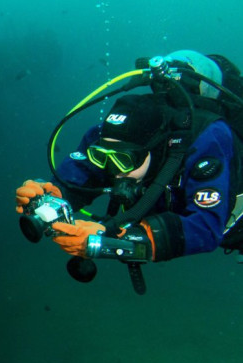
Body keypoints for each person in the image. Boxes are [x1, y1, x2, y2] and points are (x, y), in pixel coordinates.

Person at [15, 50, 243, 263]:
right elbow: (82, 171)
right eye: (102, 156)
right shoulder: (112, 134)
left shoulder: (208, 139)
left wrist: (109, 241)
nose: (114, 171)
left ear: (153, 149)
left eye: (124, 160)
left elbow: (205, 228)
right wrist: (53, 194)